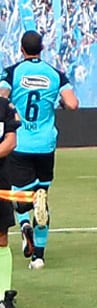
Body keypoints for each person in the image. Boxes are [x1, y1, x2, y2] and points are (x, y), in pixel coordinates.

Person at [0, 31, 79, 270]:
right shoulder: (56, 74)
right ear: (42, 49)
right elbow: (73, 103)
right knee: (41, 197)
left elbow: (2, 97)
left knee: (18, 194)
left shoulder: (12, 73)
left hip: (21, 143)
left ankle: (24, 224)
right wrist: (60, 102)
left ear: (21, 49)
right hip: (46, 144)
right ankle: (39, 258)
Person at [0, 97, 19, 307]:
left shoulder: (4, 106)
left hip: (0, 179)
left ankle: (2, 297)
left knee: (1, 237)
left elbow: (11, 141)